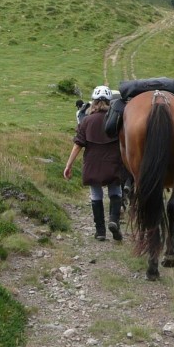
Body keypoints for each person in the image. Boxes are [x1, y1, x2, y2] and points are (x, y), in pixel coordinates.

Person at [64, 85, 126, 241]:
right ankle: (114, 220)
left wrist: (68, 165)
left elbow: (78, 144)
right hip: (113, 164)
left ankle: (100, 231)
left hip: (92, 165)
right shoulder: (117, 121)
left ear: (93, 102)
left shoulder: (86, 121)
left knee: (96, 195)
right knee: (116, 193)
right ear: (109, 102)